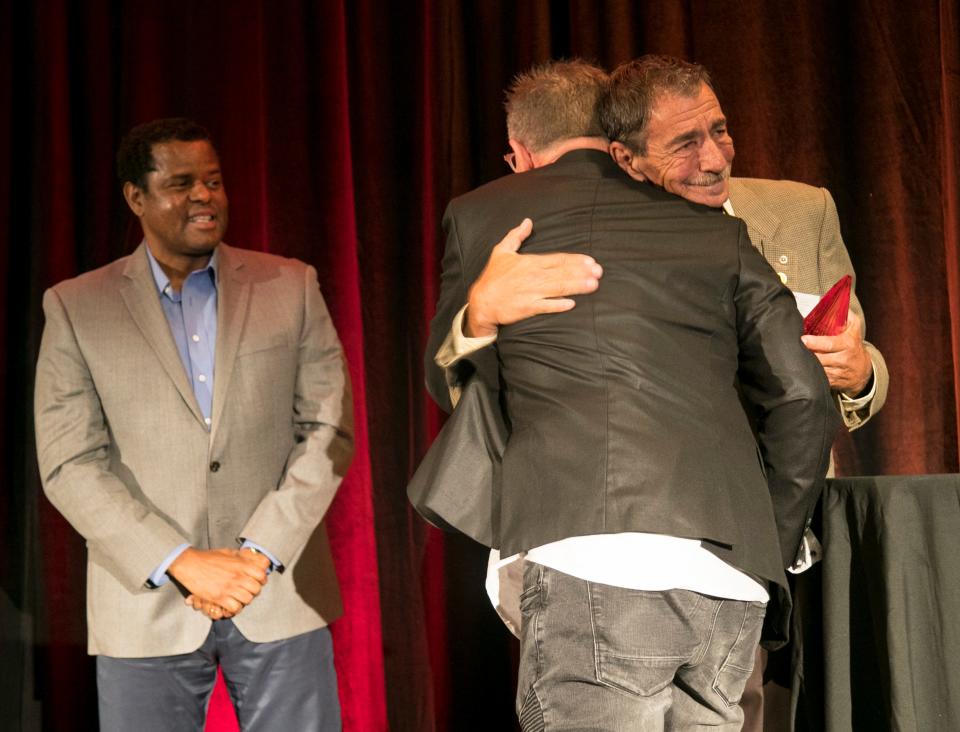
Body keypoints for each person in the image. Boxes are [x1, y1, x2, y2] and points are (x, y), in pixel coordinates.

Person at [419, 60, 840, 730]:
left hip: (589, 559)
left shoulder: (486, 215)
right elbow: (803, 398)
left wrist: (476, 318)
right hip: (729, 578)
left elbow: (449, 381)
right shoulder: (715, 230)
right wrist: (769, 537)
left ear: (520, 154)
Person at [34, 117, 352, 732]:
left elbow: (328, 428)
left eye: (213, 180)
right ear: (136, 197)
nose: (205, 196)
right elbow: (70, 465)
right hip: (144, 605)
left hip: (278, 594)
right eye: (181, 183)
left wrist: (258, 553)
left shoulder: (290, 285)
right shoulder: (76, 306)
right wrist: (181, 559)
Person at [600, 55, 888, 731]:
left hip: (788, 525)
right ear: (627, 157)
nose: (715, 156)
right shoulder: (602, 236)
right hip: (659, 529)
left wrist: (860, 372)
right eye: (686, 143)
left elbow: (860, 354)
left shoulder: (800, 210)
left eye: (721, 130)